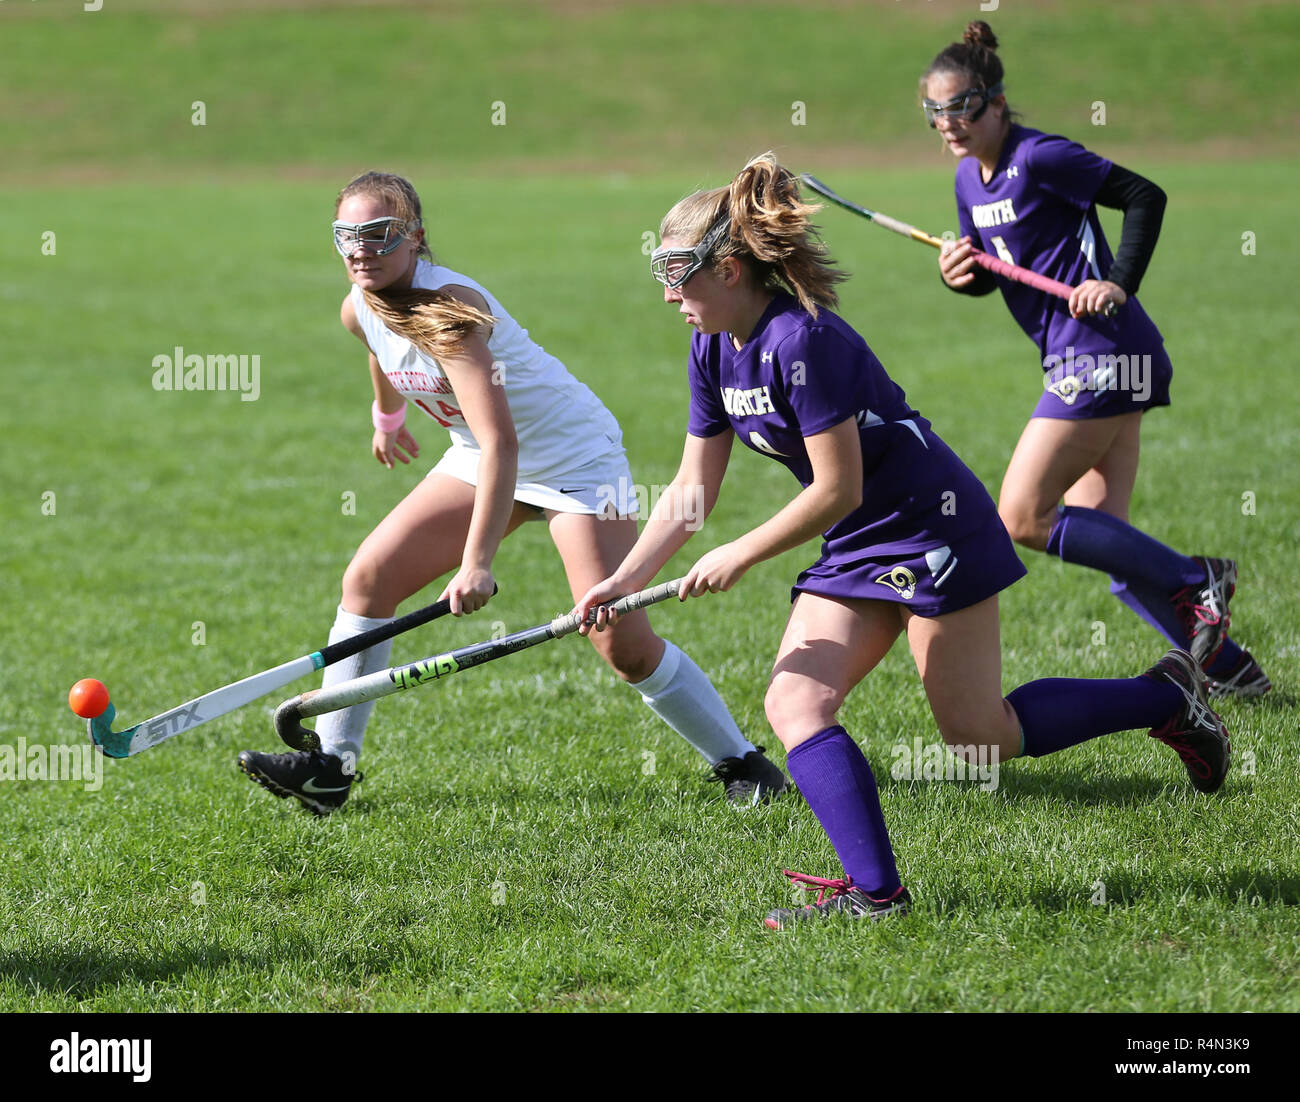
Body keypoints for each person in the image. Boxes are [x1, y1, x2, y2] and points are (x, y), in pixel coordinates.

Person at [575, 153, 1231, 929]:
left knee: (978, 735)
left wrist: (740, 553)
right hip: (859, 542)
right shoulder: (712, 347)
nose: (668, 293)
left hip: (932, 526)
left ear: (729, 266)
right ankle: (878, 896)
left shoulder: (804, 341)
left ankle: (1166, 698)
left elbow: (836, 487)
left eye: (678, 272)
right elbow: (692, 488)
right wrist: (626, 578)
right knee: (795, 702)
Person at [237, 171, 788, 814]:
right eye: (346, 236)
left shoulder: (452, 316)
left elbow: (504, 443)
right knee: (370, 577)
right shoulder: (359, 304)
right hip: (478, 457)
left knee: (621, 643)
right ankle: (330, 769)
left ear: (414, 237)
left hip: (574, 462)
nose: (362, 249)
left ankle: (744, 763)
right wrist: (387, 419)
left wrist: (477, 564)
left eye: (379, 234)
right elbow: (378, 349)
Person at [921, 20, 1269, 699]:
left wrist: (1118, 281)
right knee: (1108, 544)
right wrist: (958, 271)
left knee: (1023, 516)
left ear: (995, 101)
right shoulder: (969, 179)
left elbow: (1145, 195)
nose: (948, 123)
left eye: (961, 106)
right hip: (1075, 358)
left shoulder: (1043, 157)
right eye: (934, 111)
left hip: (1106, 350)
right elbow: (995, 270)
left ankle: (1200, 579)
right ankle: (1231, 673)